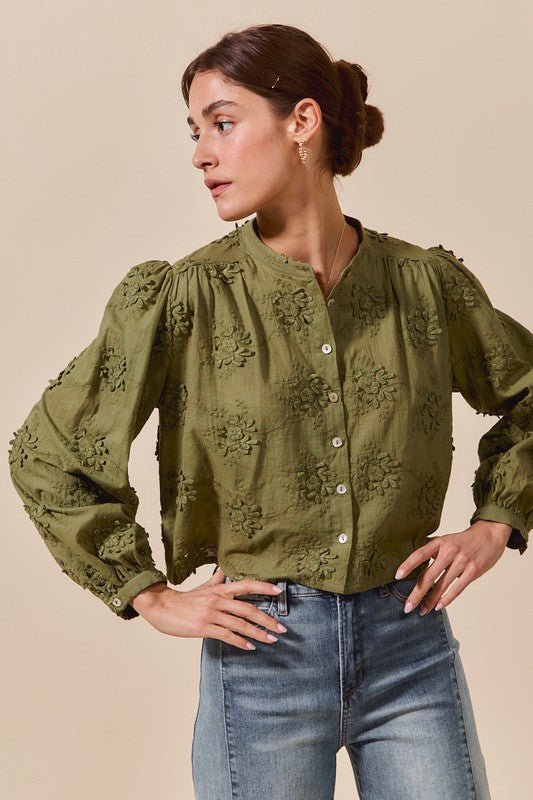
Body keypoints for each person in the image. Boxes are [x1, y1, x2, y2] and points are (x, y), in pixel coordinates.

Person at [8, 22, 532, 800]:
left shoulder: (424, 285)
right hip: (263, 658)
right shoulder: (184, 298)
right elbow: (45, 453)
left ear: (301, 123)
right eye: (193, 131)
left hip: (410, 645)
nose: (200, 154)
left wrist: (496, 522)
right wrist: (147, 593)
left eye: (221, 123)